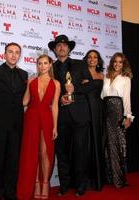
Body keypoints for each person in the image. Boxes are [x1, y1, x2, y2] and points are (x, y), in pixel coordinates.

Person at [48, 35, 92, 196]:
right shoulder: (50, 67)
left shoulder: (80, 64)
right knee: (62, 153)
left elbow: (91, 86)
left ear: (69, 48)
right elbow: (49, 92)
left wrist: (76, 89)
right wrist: (59, 100)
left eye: (64, 45)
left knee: (81, 152)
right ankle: (64, 186)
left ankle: (81, 185)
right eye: (58, 45)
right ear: (54, 49)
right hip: (60, 116)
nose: (61, 47)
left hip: (80, 115)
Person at [17, 54, 60, 200]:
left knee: (44, 152)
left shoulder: (56, 83)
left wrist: (55, 127)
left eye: (45, 63)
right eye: (40, 63)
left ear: (50, 65)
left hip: (47, 118)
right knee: (32, 152)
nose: (42, 66)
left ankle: (45, 183)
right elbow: (24, 101)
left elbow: (55, 107)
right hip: (32, 117)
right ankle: (35, 183)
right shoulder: (31, 81)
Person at [0, 42, 28, 200]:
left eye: (17, 52)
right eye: (10, 52)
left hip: (17, 125)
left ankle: (11, 193)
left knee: (13, 161)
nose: (13, 55)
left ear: (19, 55)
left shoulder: (24, 75)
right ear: (4, 54)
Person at [101, 52, 134, 188]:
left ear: (124, 64)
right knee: (107, 145)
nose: (117, 64)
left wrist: (128, 117)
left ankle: (119, 178)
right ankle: (109, 177)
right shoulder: (105, 77)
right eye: (115, 61)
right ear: (112, 62)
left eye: (120, 62)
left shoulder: (126, 79)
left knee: (119, 145)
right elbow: (102, 96)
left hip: (118, 111)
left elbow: (126, 99)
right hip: (105, 111)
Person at [83, 50, 105, 191]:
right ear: (86, 59)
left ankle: (96, 179)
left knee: (96, 142)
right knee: (85, 144)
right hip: (84, 110)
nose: (92, 59)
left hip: (98, 111)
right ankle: (84, 180)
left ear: (98, 60)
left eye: (95, 57)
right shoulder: (81, 74)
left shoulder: (102, 75)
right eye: (90, 57)